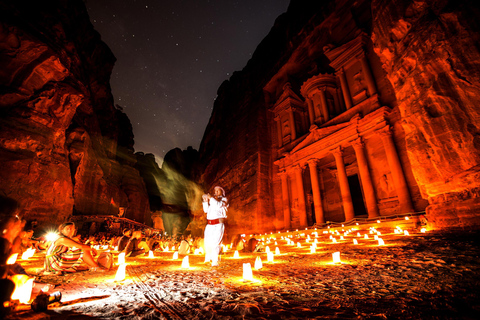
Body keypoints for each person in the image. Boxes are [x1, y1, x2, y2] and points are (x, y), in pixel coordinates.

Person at [202, 186, 228, 267]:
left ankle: (215, 261)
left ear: (222, 192)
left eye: (218, 190)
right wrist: (205, 201)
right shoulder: (213, 200)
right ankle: (208, 258)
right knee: (207, 242)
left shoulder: (224, 200)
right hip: (209, 225)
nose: (216, 192)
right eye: (215, 190)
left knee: (216, 243)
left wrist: (211, 199)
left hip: (218, 225)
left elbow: (218, 205)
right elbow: (206, 210)